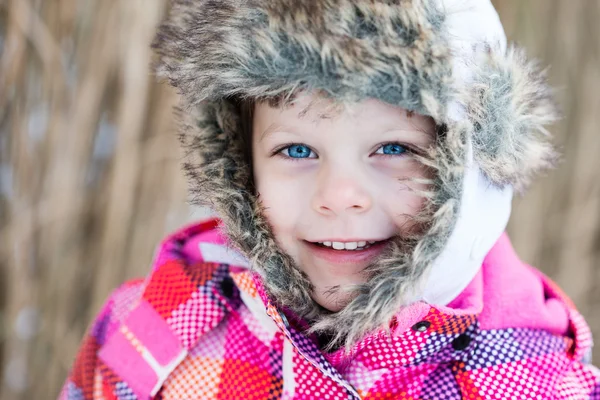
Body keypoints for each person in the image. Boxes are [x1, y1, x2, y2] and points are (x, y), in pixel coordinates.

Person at [61, 0, 600, 398]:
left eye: (392, 147)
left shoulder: (535, 381)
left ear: (472, 164)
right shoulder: (155, 326)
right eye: (296, 149)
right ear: (239, 161)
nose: (339, 197)